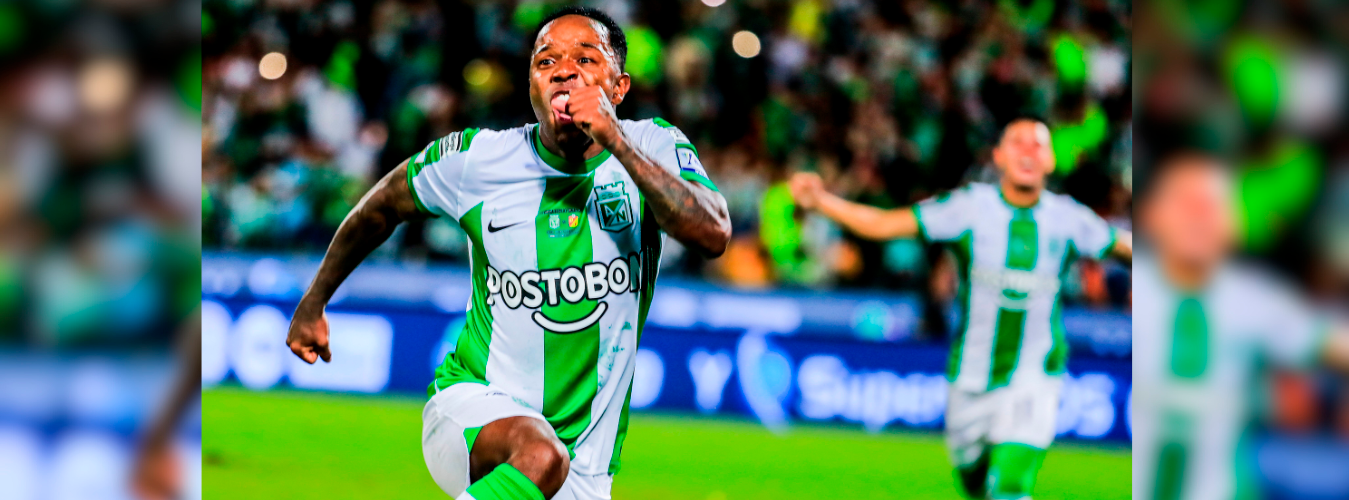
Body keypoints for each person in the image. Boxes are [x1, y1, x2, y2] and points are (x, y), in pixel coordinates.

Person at [284, 6, 731, 500]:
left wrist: (616, 140)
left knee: (546, 461)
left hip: (584, 471)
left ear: (619, 87)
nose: (563, 71)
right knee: (540, 455)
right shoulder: (480, 159)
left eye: (585, 59)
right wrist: (314, 301)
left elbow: (712, 233)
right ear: (531, 86)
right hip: (472, 410)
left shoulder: (655, 145)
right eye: (546, 61)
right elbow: (381, 205)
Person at [790, 117, 1132, 499]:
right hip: (970, 378)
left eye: (1038, 144)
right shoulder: (969, 207)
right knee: (974, 486)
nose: (1028, 152)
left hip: (1034, 374)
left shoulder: (1068, 218)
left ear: (1051, 160)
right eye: (1018, 143)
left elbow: (1126, 248)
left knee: (1010, 484)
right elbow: (884, 224)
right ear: (999, 156)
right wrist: (821, 202)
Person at [1132, 152, 1349, 500]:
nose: (1199, 217)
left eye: (1213, 206)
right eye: (1186, 203)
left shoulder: (1258, 302)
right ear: (1151, 215)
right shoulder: (1135, 289)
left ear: (1234, 224)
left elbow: (1331, 342)